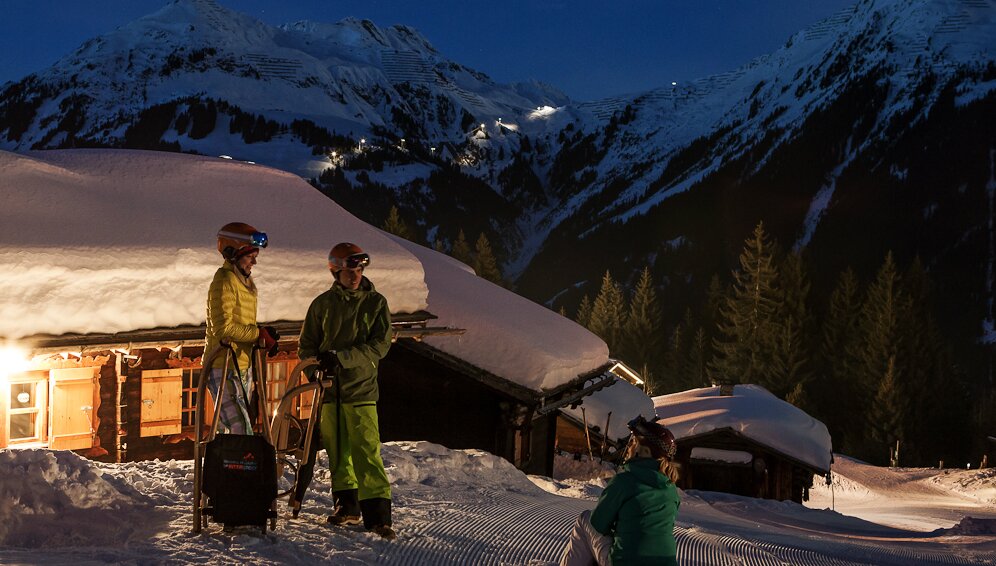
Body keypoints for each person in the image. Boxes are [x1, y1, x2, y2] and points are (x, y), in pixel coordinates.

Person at [298, 242, 395, 540]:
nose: (355, 275)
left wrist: (341, 357)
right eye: (349, 270)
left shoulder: (376, 303)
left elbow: (379, 346)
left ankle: (378, 517)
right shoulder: (322, 305)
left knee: (366, 452)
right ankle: (347, 507)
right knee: (338, 453)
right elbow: (307, 347)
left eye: (359, 269)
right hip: (329, 392)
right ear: (335, 271)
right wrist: (316, 373)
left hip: (361, 390)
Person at [559, 415, 681, 566]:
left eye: (633, 442)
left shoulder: (624, 481)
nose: (629, 447)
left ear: (645, 451)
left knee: (585, 519)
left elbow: (598, 523)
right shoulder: (671, 490)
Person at [204, 222, 278, 435]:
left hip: (241, 365)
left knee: (237, 429)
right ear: (233, 253)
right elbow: (223, 328)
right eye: (250, 256)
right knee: (241, 429)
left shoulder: (244, 282)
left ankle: (227, 467)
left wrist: (263, 335)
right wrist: (257, 335)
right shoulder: (224, 279)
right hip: (222, 365)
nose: (254, 261)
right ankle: (242, 466)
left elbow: (241, 322)